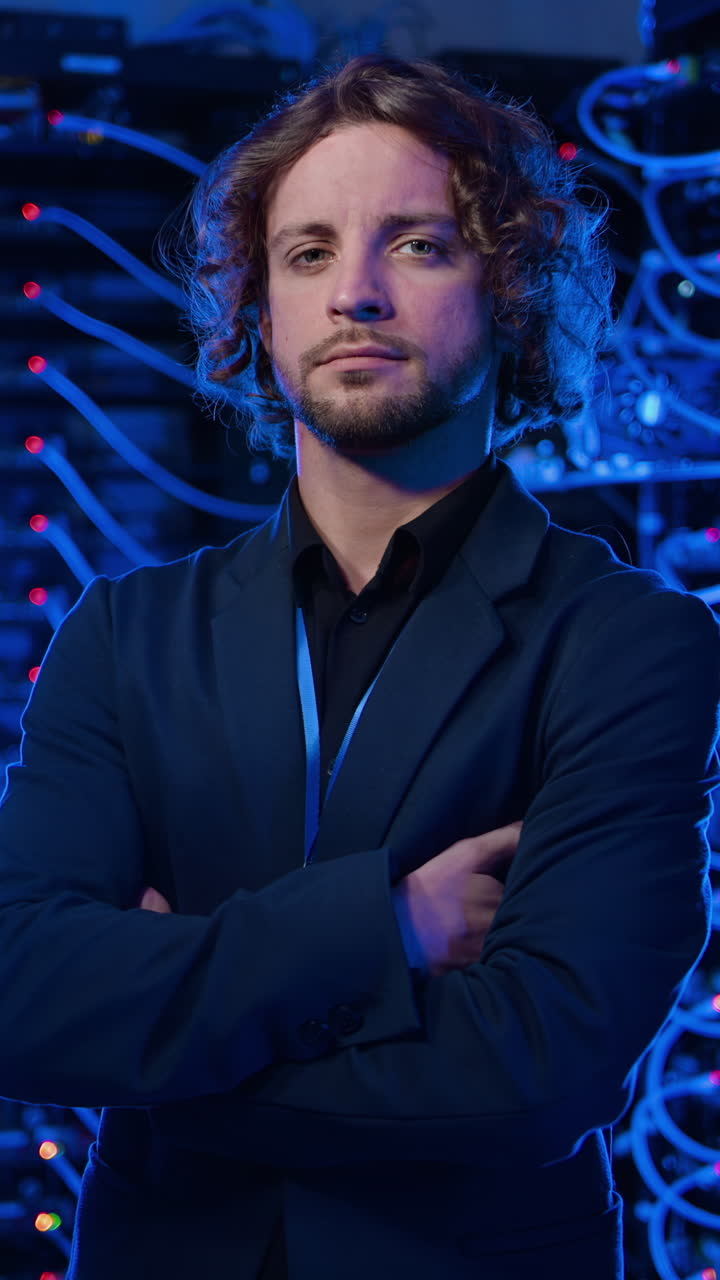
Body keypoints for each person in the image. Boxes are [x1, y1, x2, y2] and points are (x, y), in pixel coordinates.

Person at [0, 53, 718, 1280]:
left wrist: (164, 1052)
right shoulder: (125, 632)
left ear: (513, 289)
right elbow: (24, 996)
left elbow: (532, 1076)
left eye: (421, 245)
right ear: (260, 309)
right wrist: (378, 927)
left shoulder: (629, 640)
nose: (358, 295)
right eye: (310, 252)